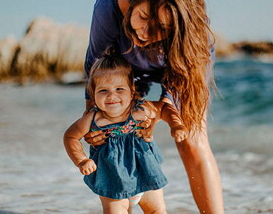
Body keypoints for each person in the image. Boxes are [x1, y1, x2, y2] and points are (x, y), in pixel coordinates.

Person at [80, 0, 224, 213]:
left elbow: (185, 77)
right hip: (126, 63)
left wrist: (162, 107)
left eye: (162, 28)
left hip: (183, 60)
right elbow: (95, 66)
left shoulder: (191, 26)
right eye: (143, 17)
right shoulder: (108, 7)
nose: (145, 33)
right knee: (120, 132)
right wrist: (93, 122)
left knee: (193, 139)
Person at [63, 47, 188, 213]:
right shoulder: (92, 119)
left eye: (119, 89)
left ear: (132, 91)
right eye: (103, 90)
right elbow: (70, 137)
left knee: (156, 210)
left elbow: (165, 108)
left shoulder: (140, 109)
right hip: (111, 179)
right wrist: (81, 160)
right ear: (93, 95)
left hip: (146, 172)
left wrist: (176, 125)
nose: (112, 96)